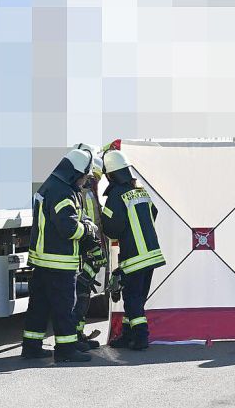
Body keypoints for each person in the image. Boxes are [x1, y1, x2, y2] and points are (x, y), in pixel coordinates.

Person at [21, 149, 96, 363]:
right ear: (75, 173)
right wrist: (88, 230)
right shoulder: (63, 191)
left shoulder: (50, 185)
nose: (84, 181)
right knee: (65, 308)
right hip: (60, 262)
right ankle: (66, 350)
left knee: (39, 307)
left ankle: (32, 347)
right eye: (84, 176)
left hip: (43, 261)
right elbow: (68, 228)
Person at [101, 150, 166, 350]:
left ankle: (140, 337)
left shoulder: (115, 195)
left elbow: (112, 227)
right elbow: (153, 212)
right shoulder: (141, 191)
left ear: (110, 174)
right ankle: (127, 335)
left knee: (132, 299)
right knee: (137, 299)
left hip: (135, 257)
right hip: (152, 256)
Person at [72, 144, 107, 349]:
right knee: (81, 294)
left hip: (88, 252)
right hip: (85, 253)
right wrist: (95, 249)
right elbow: (89, 223)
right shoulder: (84, 195)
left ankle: (78, 333)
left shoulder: (86, 193)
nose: (95, 181)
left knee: (83, 294)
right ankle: (76, 335)